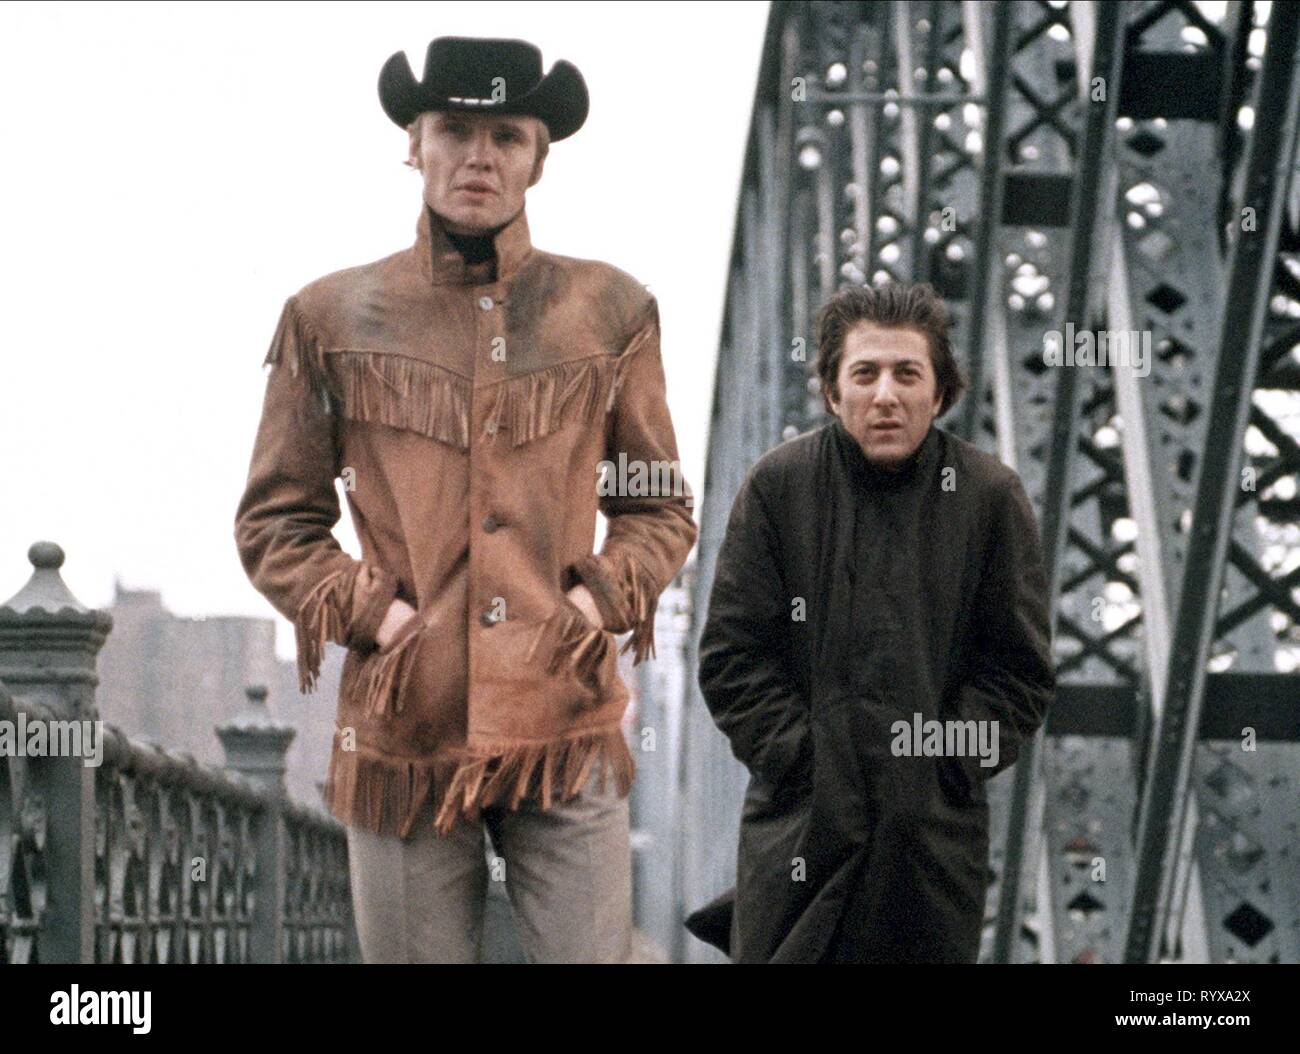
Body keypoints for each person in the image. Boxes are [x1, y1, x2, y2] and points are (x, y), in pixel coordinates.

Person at [234, 35, 697, 963]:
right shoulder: (328, 316)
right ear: (415, 143)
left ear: (539, 157)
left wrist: (591, 601)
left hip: (562, 718)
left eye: (507, 136)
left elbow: (657, 505)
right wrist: (376, 614)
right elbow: (275, 519)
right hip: (403, 727)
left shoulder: (610, 310)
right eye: (455, 130)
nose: (479, 157)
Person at [690, 281, 1054, 963]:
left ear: (940, 392)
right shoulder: (780, 487)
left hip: (928, 849)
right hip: (801, 834)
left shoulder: (989, 497)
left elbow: (1019, 672)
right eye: (864, 373)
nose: (885, 393)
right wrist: (804, 761)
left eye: (907, 373)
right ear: (832, 392)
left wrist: (944, 765)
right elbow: (732, 658)